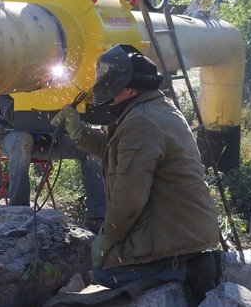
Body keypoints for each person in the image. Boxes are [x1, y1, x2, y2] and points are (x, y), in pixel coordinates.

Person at [52, 44, 222, 301]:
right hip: (182, 225)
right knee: (109, 260)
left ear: (130, 88)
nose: (110, 98)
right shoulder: (155, 107)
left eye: (113, 90)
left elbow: (129, 195)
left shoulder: (141, 121)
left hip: (178, 235)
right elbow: (117, 149)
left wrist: (108, 237)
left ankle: (183, 270)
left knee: (103, 272)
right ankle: (181, 264)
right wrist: (80, 132)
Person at [0, 94, 107, 230]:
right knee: (23, 139)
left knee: (91, 146)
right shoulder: (10, 80)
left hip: (51, 138)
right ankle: (18, 213)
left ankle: (97, 218)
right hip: (13, 136)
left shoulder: (55, 80)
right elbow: (15, 116)